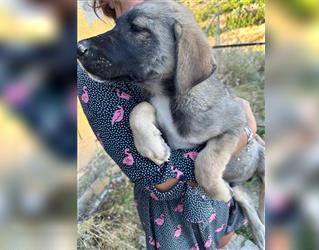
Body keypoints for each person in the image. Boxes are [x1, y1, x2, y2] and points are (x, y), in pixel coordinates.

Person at [78, 0, 260, 248]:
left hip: (221, 217)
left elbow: (216, 109)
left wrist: (232, 132)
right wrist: (241, 137)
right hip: (177, 229)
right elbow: (156, 178)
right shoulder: (96, 70)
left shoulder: (167, 33)